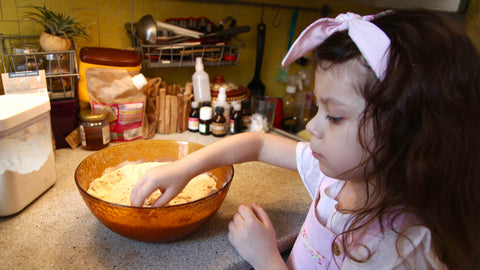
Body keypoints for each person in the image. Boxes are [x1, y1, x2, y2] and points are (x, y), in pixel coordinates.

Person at [131, 9, 480, 269]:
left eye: (334, 115)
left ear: (407, 129)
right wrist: (185, 168)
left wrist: (266, 257)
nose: (313, 126)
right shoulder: (337, 179)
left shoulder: (404, 250)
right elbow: (260, 143)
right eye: (317, 107)